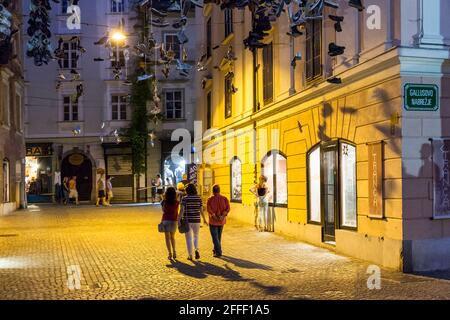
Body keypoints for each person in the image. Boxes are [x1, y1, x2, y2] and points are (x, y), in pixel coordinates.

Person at [178, 184, 208, 260]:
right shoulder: (199, 198)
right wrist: (204, 219)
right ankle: (196, 249)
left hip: (187, 220)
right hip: (197, 220)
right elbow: (201, 210)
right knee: (196, 236)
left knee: (188, 238)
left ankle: (190, 255)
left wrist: (178, 220)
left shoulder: (185, 198)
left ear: (187, 190)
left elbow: (182, 210)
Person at [207, 185, 230, 257]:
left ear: (213, 191)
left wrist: (214, 216)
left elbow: (209, 209)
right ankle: (215, 250)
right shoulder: (225, 198)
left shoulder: (210, 199)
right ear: (219, 191)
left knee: (215, 237)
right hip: (221, 221)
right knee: (218, 237)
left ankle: (218, 252)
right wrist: (223, 216)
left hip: (213, 221)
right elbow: (228, 208)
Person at [161, 187, 179, 260]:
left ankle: (170, 254)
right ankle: (174, 251)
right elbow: (177, 211)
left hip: (166, 220)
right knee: (172, 237)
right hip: (174, 220)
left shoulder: (164, 202)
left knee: (167, 238)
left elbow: (163, 211)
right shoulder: (177, 202)